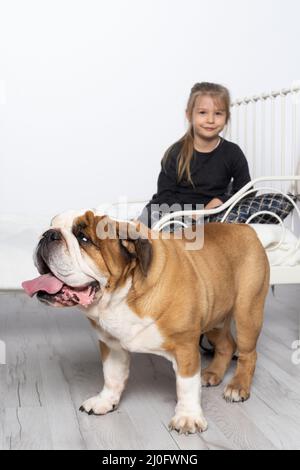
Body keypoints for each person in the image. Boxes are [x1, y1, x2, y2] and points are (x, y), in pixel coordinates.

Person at [138, 82, 251, 229]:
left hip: (210, 213)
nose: (210, 120)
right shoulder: (176, 152)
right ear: (189, 115)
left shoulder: (232, 152)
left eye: (218, 113)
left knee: (202, 232)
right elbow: (164, 195)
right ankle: (135, 227)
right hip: (172, 211)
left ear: (226, 117)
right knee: (148, 223)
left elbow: (246, 191)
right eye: (202, 113)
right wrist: (186, 214)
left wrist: (219, 201)